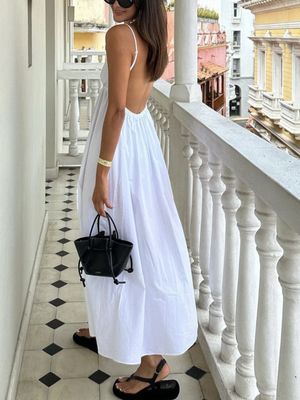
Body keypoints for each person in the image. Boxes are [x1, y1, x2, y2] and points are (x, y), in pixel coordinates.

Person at [75, 0, 198, 398]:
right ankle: (107, 326)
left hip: (121, 150)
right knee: (133, 241)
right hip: (141, 147)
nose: (113, 4)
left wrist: (102, 172)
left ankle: (151, 363)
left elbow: (116, 110)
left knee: (122, 246)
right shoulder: (153, 36)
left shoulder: (119, 36)